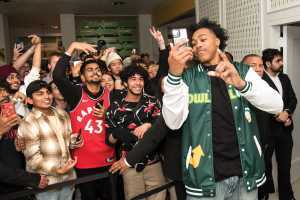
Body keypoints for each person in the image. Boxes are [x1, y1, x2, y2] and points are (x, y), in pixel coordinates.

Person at [162, 18, 283, 199]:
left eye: (203, 40)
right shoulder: (187, 78)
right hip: (205, 177)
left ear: (218, 41)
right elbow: (172, 122)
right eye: (194, 43)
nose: (198, 46)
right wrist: (173, 75)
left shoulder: (242, 71)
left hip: (246, 173)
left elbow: (276, 105)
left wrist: (242, 85)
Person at [53, 42, 116, 200]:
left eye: (97, 70)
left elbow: (119, 125)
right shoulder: (75, 93)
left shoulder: (111, 94)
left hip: (109, 160)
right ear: (82, 77)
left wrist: (107, 115)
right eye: (89, 70)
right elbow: (58, 76)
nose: (94, 72)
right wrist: (72, 48)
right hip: (84, 162)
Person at [107, 65, 166, 200]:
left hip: (153, 163)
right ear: (125, 83)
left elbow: (163, 124)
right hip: (128, 164)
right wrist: (117, 133)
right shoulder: (115, 108)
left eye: (141, 79)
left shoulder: (153, 102)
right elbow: (109, 140)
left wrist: (149, 124)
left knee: (159, 196)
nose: (137, 83)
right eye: (133, 79)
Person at [18, 80, 76, 200]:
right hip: (47, 182)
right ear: (29, 100)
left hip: (68, 177)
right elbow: (33, 159)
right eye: (40, 94)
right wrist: (57, 170)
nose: (46, 96)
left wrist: (75, 140)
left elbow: (68, 143)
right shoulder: (28, 122)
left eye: (48, 92)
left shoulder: (62, 114)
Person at [262, 48, 297, 200]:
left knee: (285, 167)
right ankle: (264, 196)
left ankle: (287, 196)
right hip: (267, 132)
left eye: (281, 60)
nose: (281, 63)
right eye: (278, 61)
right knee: (265, 168)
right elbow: (260, 105)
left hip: (285, 130)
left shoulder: (285, 77)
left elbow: (292, 99)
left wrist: (287, 113)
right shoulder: (260, 80)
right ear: (268, 63)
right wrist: (278, 115)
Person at [242, 54, 272, 200]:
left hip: (264, 144)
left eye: (260, 66)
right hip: (247, 149)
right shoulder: (238, 90)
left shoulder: (265, 88)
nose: (259, 69)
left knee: (263, 183)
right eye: (253, 65)